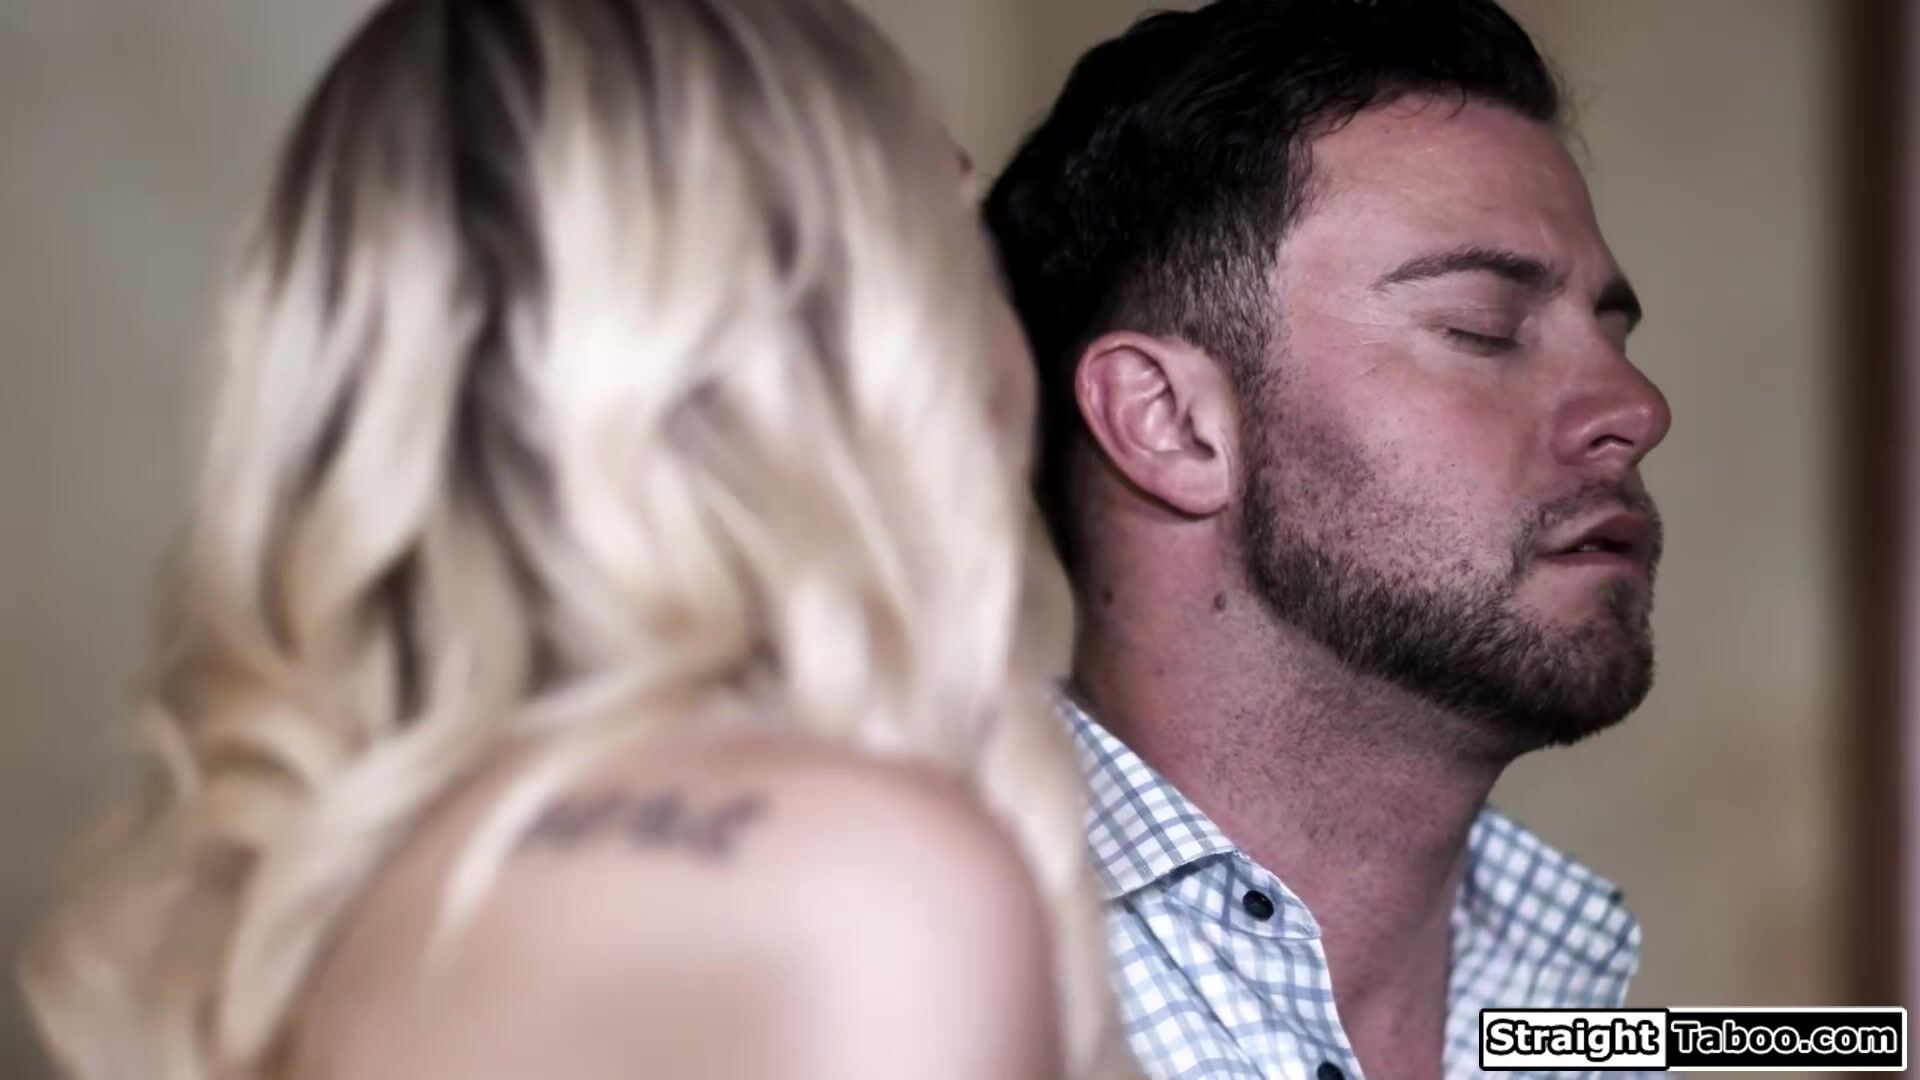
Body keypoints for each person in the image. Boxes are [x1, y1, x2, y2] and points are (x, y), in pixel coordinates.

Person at [21, 1, 1136, 1077]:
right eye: (955, 236)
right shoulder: (867, 880)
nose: (1008, 332)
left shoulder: (309, 895)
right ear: (834, 339)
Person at [986, 1, 1671, 1078]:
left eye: (1613, 335)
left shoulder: (1570, 996)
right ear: (1169, 423)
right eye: (1484, 330)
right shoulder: (907, 984)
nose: (1636, 407)